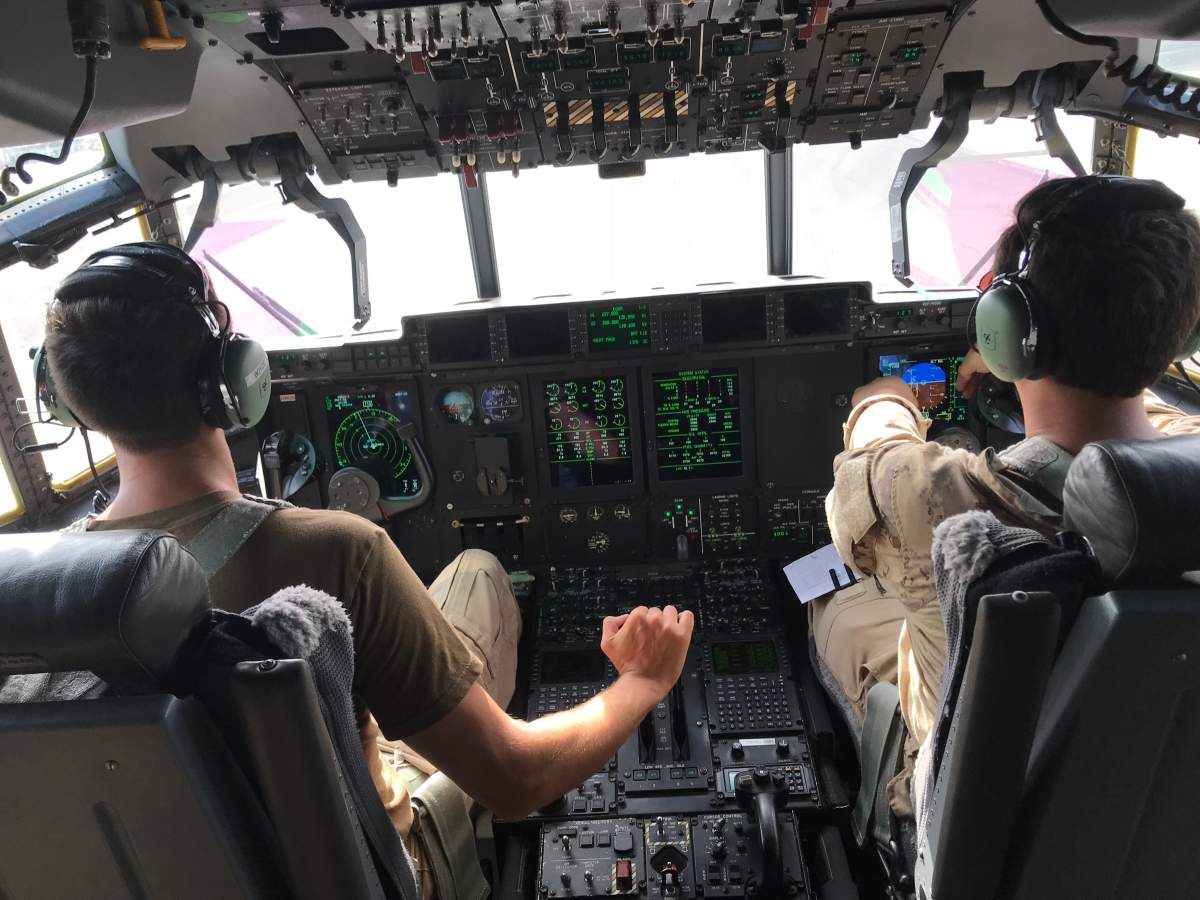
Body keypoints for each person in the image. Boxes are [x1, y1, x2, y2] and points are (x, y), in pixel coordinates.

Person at [40, 241, 694, 895]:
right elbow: (516, 783)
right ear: (231, 380)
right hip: (372, 869)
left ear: (70, 401)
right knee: (477, 568)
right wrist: (642, 680)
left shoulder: (34, 599)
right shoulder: (331, 553)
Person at [817, 175, 1200, 811]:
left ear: (1003, 329)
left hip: (973, 815)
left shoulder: (937, 501)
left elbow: (865, 471)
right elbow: (1159, 418)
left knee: (838, 603)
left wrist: (883, 398)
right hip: (1159, 804)